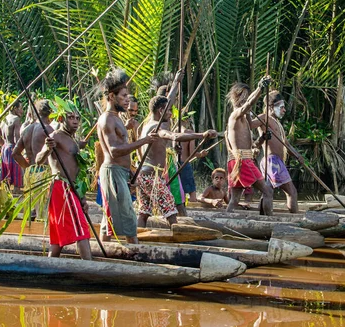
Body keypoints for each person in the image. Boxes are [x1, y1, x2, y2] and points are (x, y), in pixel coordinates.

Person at [97, 68, 160, 244]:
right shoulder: (107, 119)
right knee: (127, 217)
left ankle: (106, 252)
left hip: (120, 172)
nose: (127, 100)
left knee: (109, 219)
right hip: (113, 172)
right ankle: (134, 252)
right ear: (111, 96)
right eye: (123, 96)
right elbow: (114, 150)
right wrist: (144, 140)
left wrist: (130, 171)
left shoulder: (116, 118)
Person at [138, 92, 216, 226]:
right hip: (152, 177)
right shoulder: (156, 127)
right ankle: (177, 237)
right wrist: (201, 135)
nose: (171, 114)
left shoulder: (146, 125)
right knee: (171, 209)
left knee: (144, 212)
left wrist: (176, 82)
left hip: (144, 175)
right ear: (161, 110)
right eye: (168, 110)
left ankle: (137, 240)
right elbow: (173, 136)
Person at [35, 106, 92, 260]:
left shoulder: (73, 139)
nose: (75, 121)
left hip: (73, 188)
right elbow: (38, 159)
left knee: (57, 240)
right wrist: (48, 148)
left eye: (77, 118)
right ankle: (90, 267)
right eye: (71, 117)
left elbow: (78, 171)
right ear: (61, 119)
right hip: (62, 187)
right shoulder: (56, 136)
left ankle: (50, 265)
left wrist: (83, 198)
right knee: (81, 229)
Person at [225, 77, 274, 215]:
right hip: (242, 161)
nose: (248, 102)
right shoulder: (235, 115)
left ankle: (226, 220)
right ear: (237, 97)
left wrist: (262, 138)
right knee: (267, 191)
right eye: (245, 97)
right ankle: (269, 222)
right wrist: (260, 88)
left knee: (234, 199)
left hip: (240, 160)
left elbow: (252, 144)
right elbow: (247, 104)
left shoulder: (244, 120)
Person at [255, 90, 304, 213]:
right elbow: (252, 129)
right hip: (272, 162)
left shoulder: (278, 124)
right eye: (281, 107)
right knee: (291, 192)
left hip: (275, 162)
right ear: (271, 107)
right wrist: (262, 137)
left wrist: (297, 155)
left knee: (267, 190)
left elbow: (286, 144)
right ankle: (294, 219)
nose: (284, 110)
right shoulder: (265, 118)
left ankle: (263, 217)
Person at [12, 99, 52, 168]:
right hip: (45, 172)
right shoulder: (48, 129)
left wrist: (28, 168)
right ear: (51, 113)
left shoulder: (27, 129)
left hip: (31, 173)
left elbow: (15, 153)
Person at [178, 118, 209, 204]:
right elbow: (192, 153)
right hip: (184, 164)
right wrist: (201, 154)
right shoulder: (189, 133)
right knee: (192, 191)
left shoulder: (172, 131)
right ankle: (192, 209)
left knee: (179, 188)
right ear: (186, 121)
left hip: (173, 165)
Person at [0, 100, 24, 194]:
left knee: (7, 171)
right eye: (21, 108)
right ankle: (16, 190)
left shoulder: (4, 119)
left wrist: (4, 145)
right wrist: (19, 150)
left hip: (5, 148)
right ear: (15, 108)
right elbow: (17, 138)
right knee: (15, 170)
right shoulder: (16, 119)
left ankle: (6, 191)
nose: (22, 111)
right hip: (13, 148)